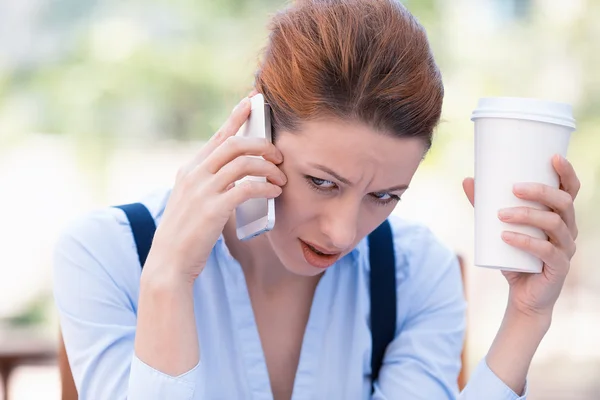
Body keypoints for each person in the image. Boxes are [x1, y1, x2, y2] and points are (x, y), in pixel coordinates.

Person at [53, 1, 581, 399]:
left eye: (384, 195)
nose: (342, 233)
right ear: (255, 130)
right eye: (322, 182)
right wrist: (167, 279)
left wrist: (526, 317)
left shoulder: (414, 273)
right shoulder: (105, 255)